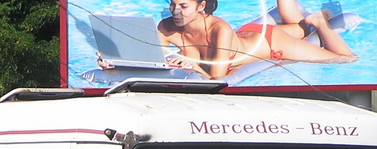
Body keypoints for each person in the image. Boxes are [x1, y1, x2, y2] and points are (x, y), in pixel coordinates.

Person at [150, 0, 356, 80]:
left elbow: (216, 77)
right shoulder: (166, 27)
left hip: (270, 44)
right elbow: (152, 60)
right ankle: (309, 22)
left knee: (344, 58)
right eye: (172, 5)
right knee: (301, 27)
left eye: (183, 6)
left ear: (201, 6)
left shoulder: (218, 28)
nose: (175, 12)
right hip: (247, 34)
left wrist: (193, 64)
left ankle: (321, 22)